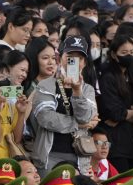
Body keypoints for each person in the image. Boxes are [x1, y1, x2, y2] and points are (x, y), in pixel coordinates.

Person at [30, 36, 97, 175]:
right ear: (59, 58)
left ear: (84, 63)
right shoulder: (45, 85)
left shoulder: (87, 89)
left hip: (80, 157)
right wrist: (79, 125)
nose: (75, 62)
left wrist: (77, 91)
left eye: (80, 58)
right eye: (70, 57)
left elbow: (85, 117)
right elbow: (46, 118)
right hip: (49, 156)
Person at [96, 35, 133, 172]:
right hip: (115, 145)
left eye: (132, 52)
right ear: (113, 54)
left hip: (131, 143)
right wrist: (132, 112)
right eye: (124, 53)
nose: (129, 56)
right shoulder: (108, 77)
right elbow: (115, 113)